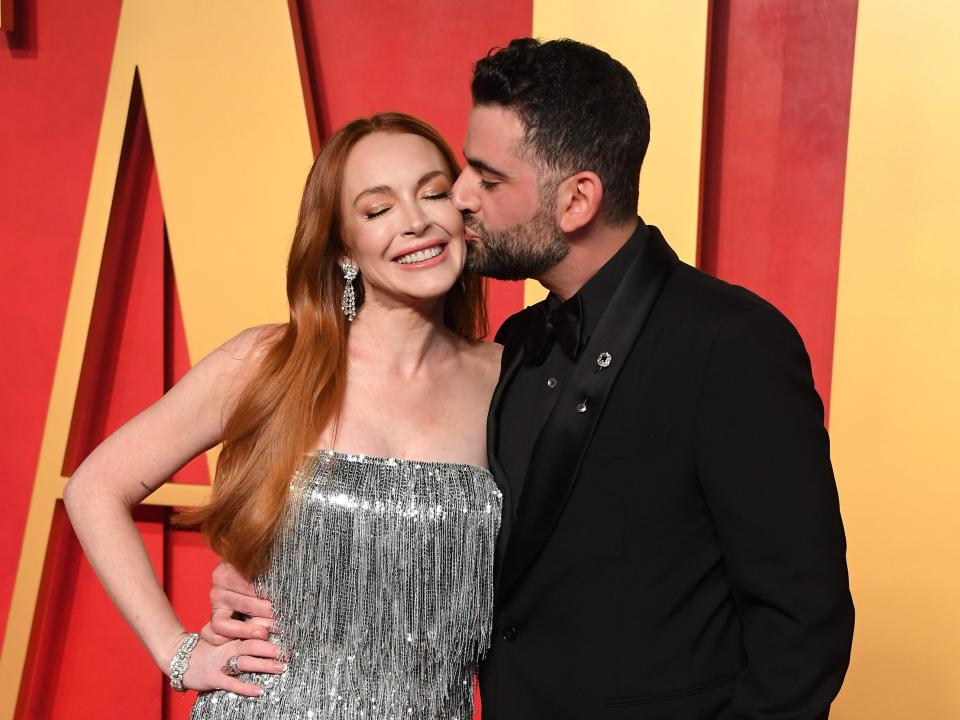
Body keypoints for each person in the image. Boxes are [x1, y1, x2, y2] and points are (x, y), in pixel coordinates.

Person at [208, 38, 855, 719]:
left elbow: (802, 627)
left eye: (487, 180)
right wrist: (288, 573)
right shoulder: (516, 347)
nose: (456, 199)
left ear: (577, 200)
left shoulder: (732, 344)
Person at [63, 112, 504, 718]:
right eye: (378, 209)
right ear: (343, 246)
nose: (415, 220)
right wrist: (178, 652)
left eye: (432, 193)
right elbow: (95, 487)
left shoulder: (513, 379)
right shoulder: (269, 363)